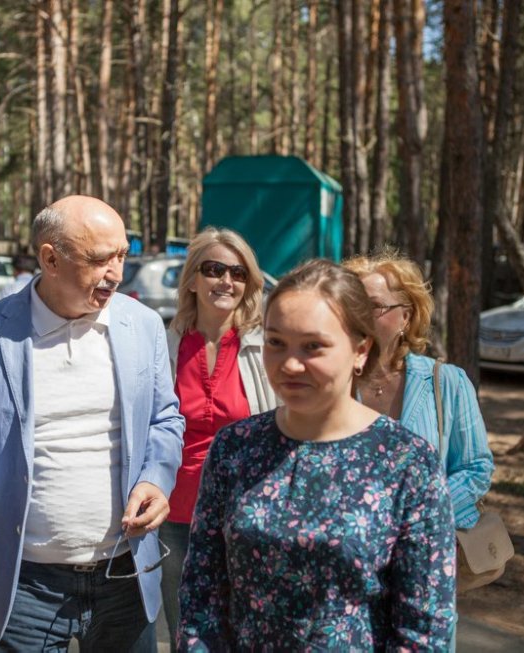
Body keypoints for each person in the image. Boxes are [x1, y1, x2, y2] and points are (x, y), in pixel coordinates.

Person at [0, 195, 185, 650]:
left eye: (122, 255)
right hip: (23, 585)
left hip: (125, 575)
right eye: (100, 260)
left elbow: (165, 417)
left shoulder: (143, 325)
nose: (116, 273)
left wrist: (158, 479)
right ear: (50, 259)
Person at [178, 259, 456, 650]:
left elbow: (424, 630)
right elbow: (201, 597)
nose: (290, 364)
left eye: (313, 347)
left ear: (360, 349)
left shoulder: (406, 462)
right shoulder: (235, 447)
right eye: (276, 342)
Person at [344, 250, 495, 645]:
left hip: (424, 564)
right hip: (344, 566)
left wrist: (419, 516)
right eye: (353, 304)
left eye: (374, 306)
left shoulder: (447, 382)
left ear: (406, 317)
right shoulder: (331, 381)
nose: (360, 314)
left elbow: (476, 468)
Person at [159, 227, 277, 649]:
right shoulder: (165, 344)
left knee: (247, 628)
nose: (227, 281)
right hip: (174, 515)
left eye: (238, 273)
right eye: (214, 270)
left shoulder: (264, 348)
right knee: (184, 631)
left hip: (244, 514)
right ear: (192, 279)